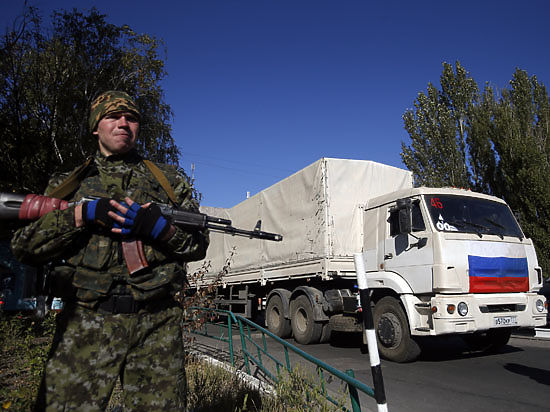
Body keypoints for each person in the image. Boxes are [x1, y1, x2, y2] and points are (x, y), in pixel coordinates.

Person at [11, 91, 209, 411]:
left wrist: (158, 229)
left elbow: (197, 246)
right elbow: (24, 247)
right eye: (113, 116)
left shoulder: (169, 182)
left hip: (156, 323)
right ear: (95, 127)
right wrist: (80, 215)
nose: (123, 124)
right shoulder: (70, 183)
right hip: (86, 322)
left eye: (131, 118)